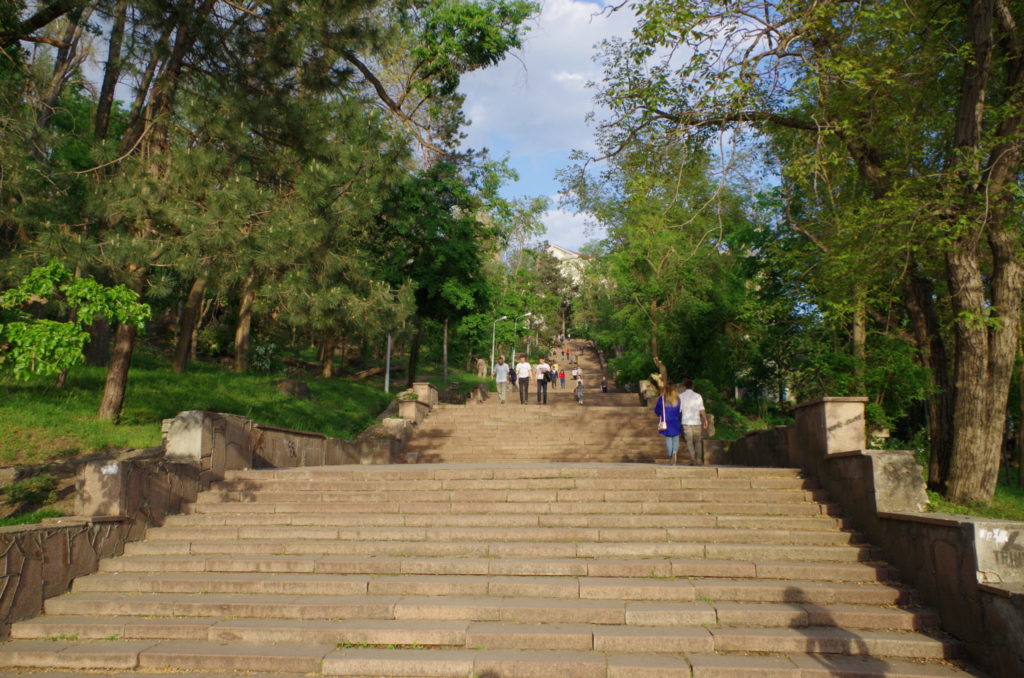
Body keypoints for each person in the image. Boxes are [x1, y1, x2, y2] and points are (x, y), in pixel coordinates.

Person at [680, 379, 709, 465]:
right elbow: (701, 409)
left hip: (686, 421)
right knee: (697, 441)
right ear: (692, 386)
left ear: (684, 387)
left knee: (689, 441)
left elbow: (679, 410)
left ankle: (692, 459)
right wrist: (705, 419)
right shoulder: (698, 396)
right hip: (696, 421)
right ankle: (699, 460)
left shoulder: (681, 396)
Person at [654, 382, 683, 464]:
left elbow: (657, 410)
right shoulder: (678, 399)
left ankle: (671, 455)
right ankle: (674, 452)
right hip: (675, 421)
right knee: (676, 439)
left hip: (666, 421)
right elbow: (680, 410)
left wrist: (659, 414)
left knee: (668, 439)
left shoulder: (662, 399)